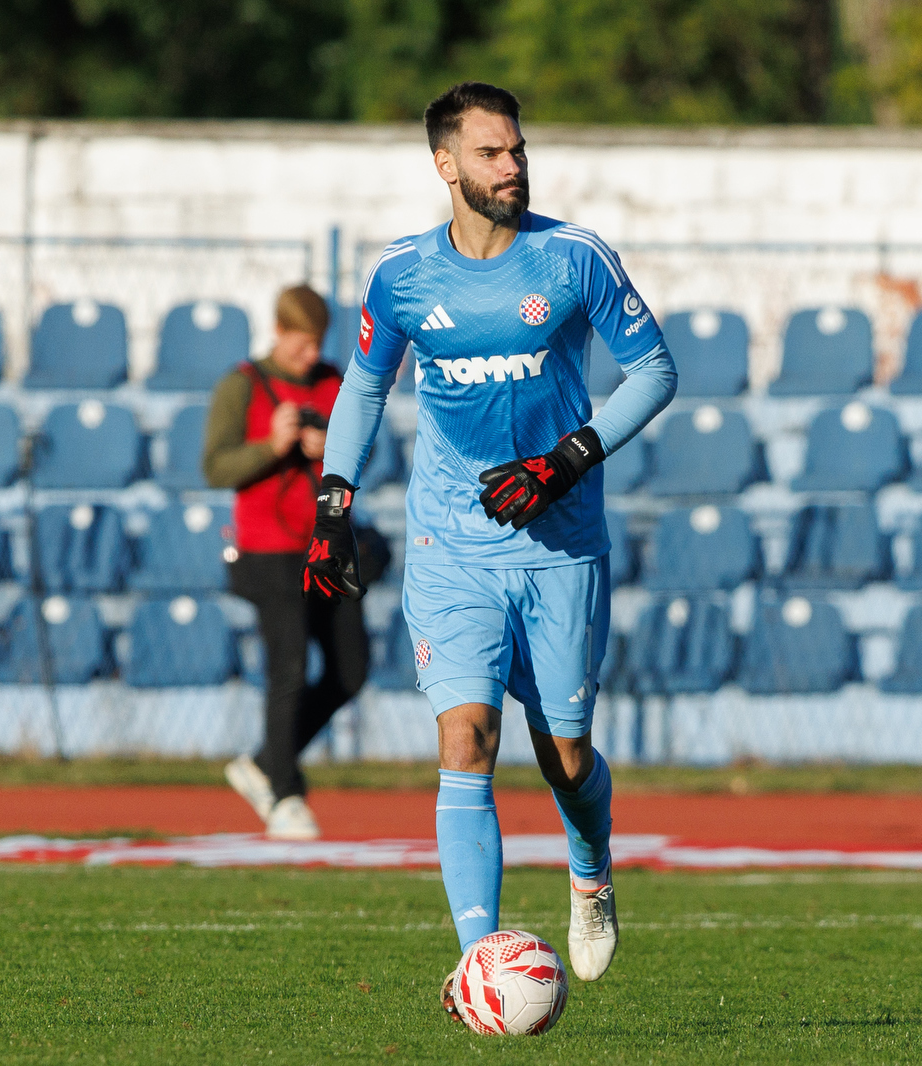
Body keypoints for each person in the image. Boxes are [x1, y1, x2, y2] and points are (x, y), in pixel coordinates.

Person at [300, 82, 676, 1009]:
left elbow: (655, 371)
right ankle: (479, 957)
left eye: (516, 150)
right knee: (466, 739)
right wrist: (332, 506)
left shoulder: (574, 258)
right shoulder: (401, 277)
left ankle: (591, 874)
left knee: (567, 760)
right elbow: (364, 387)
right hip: (450, 546)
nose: (512, 167)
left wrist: (563, 462)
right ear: (445, 165)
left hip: (559, 547)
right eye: (490, 153)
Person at [205, 284, 369, 842]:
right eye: (301, 343)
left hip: (325, 545)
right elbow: (216, 467)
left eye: (316, 343)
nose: (308, 355)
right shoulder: (242, 385)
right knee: (290, 669)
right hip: (267, 548)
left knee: (352, 670)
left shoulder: (333, 382)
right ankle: (284, 792)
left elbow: (368, 453)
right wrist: (272, 447)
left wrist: (332, 449)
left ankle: (261, 763)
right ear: (278, 332)